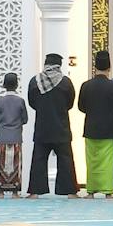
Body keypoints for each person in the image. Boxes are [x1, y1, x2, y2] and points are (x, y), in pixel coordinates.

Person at [26, 51, 77, 196]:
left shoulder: (34, 81)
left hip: (42, 127)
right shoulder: (65, 82)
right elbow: (70, 103)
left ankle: (35, 191)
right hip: (61, 127)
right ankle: (69, 191)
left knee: (39, 160)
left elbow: (32, 103)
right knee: (66, 160)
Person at [78, 48, 113, 196]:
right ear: (109, 68)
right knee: (107, 161)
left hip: (91, 126)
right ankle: (107, 190)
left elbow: (81, 106)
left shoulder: (86, 85)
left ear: (95, 67)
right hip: (109, 127)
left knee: (91, 160)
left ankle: (90, 190)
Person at [0, 72, 28, 196]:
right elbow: (25, 119)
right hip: (16, 136)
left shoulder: (0, 101)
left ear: (4, 85)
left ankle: (1, 192)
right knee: (16, 165)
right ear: (16, 85)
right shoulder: (20, 101)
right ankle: (15, 193)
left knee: (2, 164)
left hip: (3, 137)